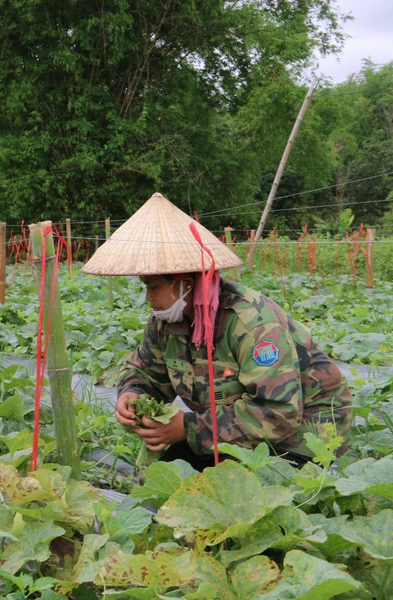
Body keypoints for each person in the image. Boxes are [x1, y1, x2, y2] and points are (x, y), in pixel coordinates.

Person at [82, 193, 352, 471]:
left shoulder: (253, 324)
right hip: (231, 432)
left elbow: (279, 413)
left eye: (153, 287)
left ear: (184, 284)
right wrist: (132, 394)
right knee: (169, 473)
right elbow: (144, 372)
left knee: (233, 492)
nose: (148, 297)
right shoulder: (166, 321)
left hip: (303, 438)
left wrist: (187, 429)